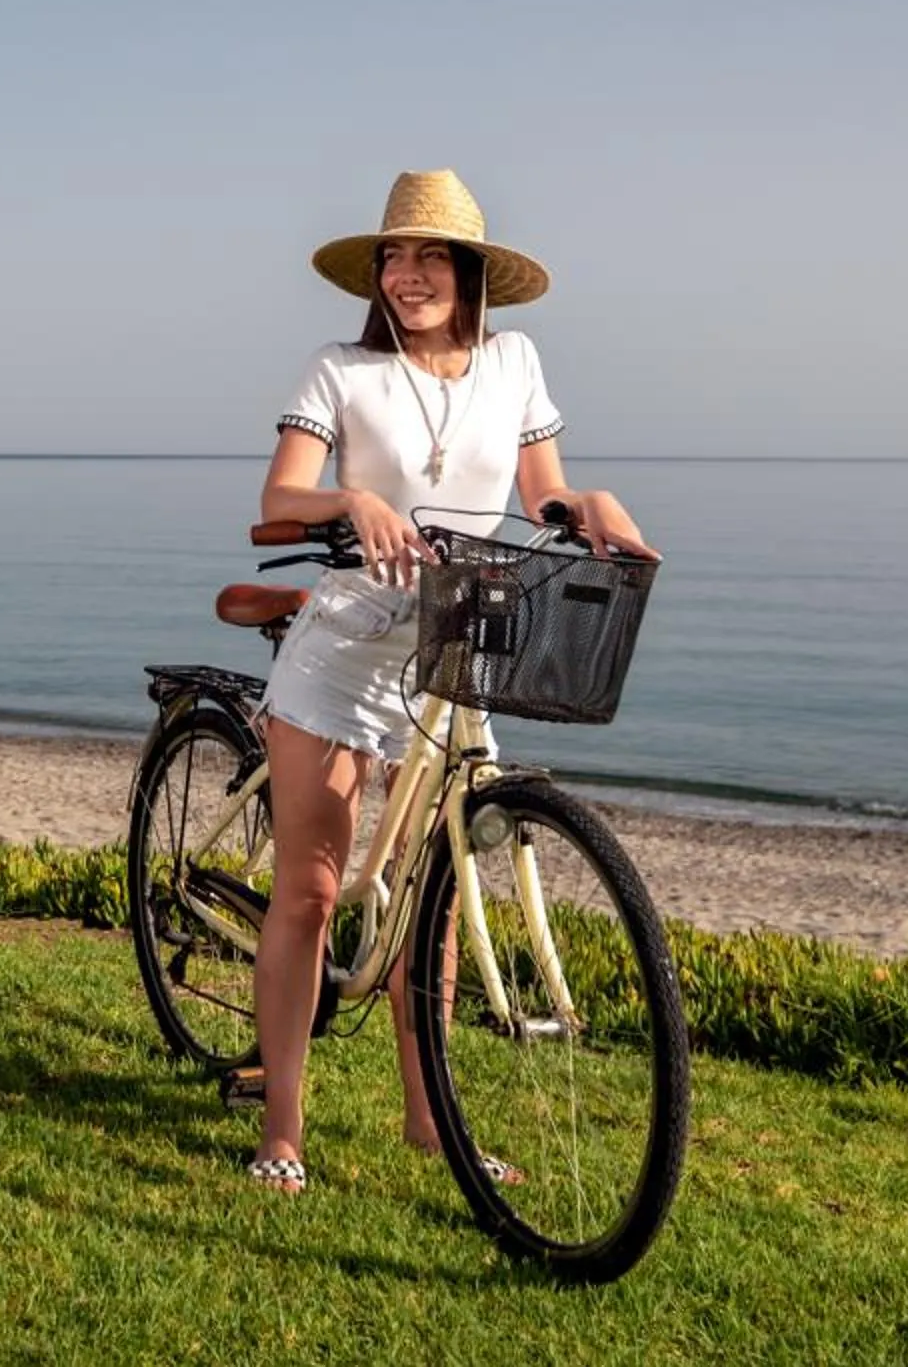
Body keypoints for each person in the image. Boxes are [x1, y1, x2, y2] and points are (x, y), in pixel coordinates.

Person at [243, 168, 658, 1195]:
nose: (409, 273)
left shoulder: (514, 362)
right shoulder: (340, 369)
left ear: (471, 272)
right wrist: (353, 500)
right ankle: (283, 1131)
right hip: (349, 643)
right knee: (311, 888)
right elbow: (280, 496)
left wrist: (586, 503)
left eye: (431, 255)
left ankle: (430, 1121)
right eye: (395, 254)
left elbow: (542, 489)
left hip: (461, 641)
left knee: (434, 897)